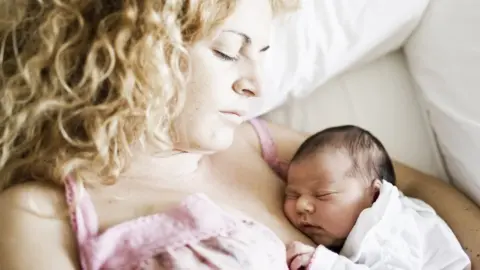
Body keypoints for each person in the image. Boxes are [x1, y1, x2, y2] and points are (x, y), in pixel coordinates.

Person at [0, 0, 478, 269]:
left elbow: (407, 187)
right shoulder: (40, 213)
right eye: (229, 52)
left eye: (263, 54)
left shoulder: (261, 146)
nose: (257, 85)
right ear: (134, 52)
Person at [283, 125, 471, 270]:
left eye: (322, 194)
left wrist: (327, 264)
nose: (301, 204)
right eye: (292, 194)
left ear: (374, 196)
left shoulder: (391, 230)